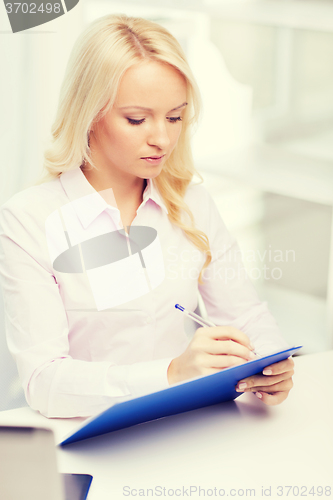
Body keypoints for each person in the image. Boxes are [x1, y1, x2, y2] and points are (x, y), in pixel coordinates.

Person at [0, 14, 294, 418]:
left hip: (188, 425)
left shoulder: (192, 203)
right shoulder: (27, 220)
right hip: (88, 437)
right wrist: (171, 372)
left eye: (175, 117)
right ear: (89, 114)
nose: (163, 138)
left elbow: (243, 314)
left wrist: (271, 359)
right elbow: (45, 382)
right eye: (137, 119)